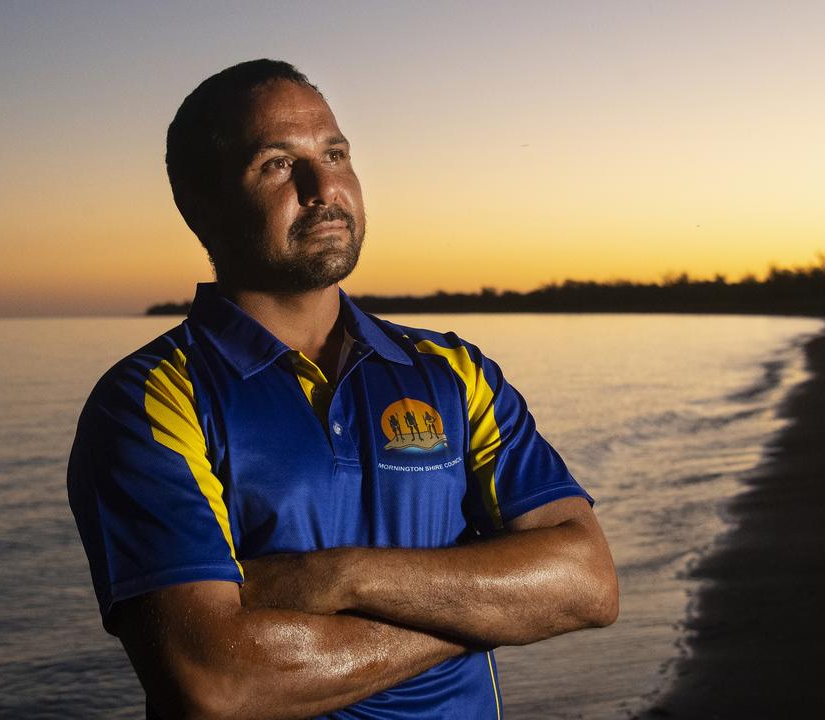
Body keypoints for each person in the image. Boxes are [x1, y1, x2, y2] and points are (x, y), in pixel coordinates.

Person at [67, 59, 618, 720]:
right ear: (201, 204)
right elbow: (215, 681)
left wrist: (335, 578)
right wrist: (484, 606)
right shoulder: (153, 399)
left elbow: (588, 583)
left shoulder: (450, 370)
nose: (324, 186)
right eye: (277, 164)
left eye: (336, 154)